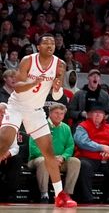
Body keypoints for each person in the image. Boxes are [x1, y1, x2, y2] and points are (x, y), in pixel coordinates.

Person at [0, 34, 76, 207]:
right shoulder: (28, 60)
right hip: (17, 106)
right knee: (4, 142)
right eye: (46, 42)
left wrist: (57, 89)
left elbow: (57, 94)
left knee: (48, 152)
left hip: (35, 110)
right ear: (38, 46)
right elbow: (17, 87)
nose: (50, 45)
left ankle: (60, 195)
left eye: (52, 43)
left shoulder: (60, 64)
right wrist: (34, 83)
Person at [74, 103, 109, 204]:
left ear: (104, 116)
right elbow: (82, 142)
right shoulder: (82, 127)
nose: (98, 115)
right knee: (84, 165)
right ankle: (87, 198)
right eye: (95, 113)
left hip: (108, 158)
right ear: (89, 114)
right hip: (88, 157)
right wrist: (101, 147)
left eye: (101, 113)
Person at [28, 102, 80, 203]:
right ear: (50, 113)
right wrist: (51, 158)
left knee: (75, 161)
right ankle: (44, 194)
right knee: (43, 161)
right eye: (56, 113)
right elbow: (33, 147)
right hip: (38, 159)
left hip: (59, 160)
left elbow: (70, 146)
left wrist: (63, 157)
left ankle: (66, 195)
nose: (59, 116)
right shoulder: (40, 126)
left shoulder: (66, 127)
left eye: (61, 113)